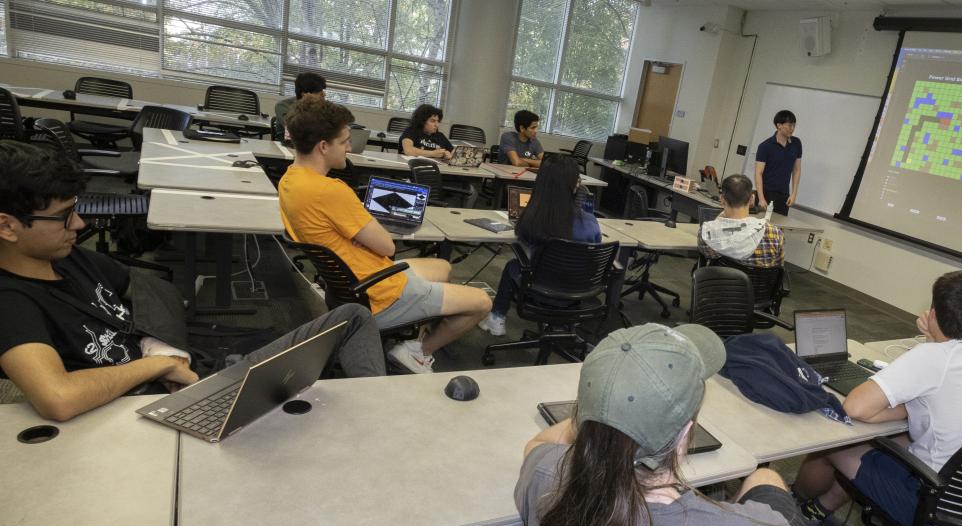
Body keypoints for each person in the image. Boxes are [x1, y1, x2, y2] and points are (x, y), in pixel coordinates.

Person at [0, 141, 386, 422]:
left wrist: (166, 354)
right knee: (335, 345)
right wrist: (157, 366)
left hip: (194, 375)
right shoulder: (12, 301)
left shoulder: (70, 258)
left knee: (350, 316)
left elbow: (155, 291)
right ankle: (378, 424)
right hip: (158, 408)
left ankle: (374, 419)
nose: (80, 225)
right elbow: (58, 398)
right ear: (8, 226)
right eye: (64, 216)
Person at [516, 323, 842, 526]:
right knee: (766, 477)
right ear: (686, 434)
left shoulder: (545, 477)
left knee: (763, 478)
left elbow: (539, 445)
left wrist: (602, 418)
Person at [792, 269, 962, 526]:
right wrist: (936, 342)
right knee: (897, 438)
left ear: (934, 313)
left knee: (834, 444)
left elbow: (855, 407)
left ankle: (795, 507)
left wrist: (933, 346)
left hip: (939, 518)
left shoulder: (933, 357)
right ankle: (820, 508)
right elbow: (936, 390)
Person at [278, 97, 491, 374]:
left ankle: (420, 333)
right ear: (323, 146)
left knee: (443, 266)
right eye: (344, 142)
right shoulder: (331, 190)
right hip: (380, 292)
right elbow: (388, 246)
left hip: (347, 284)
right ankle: (417, 352)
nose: (349, 147)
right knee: (483, 303)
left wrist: (357, 234)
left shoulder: (289, 180)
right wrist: (364, 230)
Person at [478, 154, 601, 336]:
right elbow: (593, 251)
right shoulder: (590, 221)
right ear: (575, 185)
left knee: (513, 265)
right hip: (579, 292)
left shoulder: (533, 218)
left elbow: (525, 243)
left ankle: (496, 318)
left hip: (540, 290)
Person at [698, 173, 785, 267]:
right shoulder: (775, 235)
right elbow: (778, 266)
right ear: (752, 199)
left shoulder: (706, 233)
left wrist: (717, 220)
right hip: (757, 282)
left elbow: (707, 256)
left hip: (719, 281)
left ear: (722, 199)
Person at [754, 109, 803, 216]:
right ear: (779, 125)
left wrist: (794, 194)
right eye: (789, 125)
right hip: (766, 192)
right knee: (761, 228)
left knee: (778, 229)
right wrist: (761, 198)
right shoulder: (765, 146)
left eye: (794, 125)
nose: (792, 129)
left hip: (784, 195)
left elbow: (797, 170)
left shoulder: (796, 143)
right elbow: (758, 173)